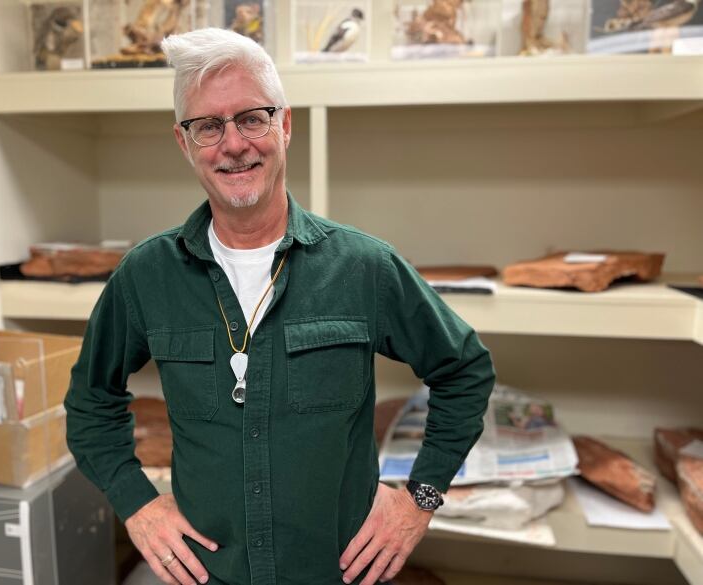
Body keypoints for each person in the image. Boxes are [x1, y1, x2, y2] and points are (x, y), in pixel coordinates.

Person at [64, 28, 495, 585]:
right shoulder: (146, 276)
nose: (234, 144)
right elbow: (90, 401)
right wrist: (137, 505)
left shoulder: (364, 267)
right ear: (184, 142)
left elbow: (464, 369)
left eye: (252, 117)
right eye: (208, 126)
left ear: (285, 125)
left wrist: (420, 502)